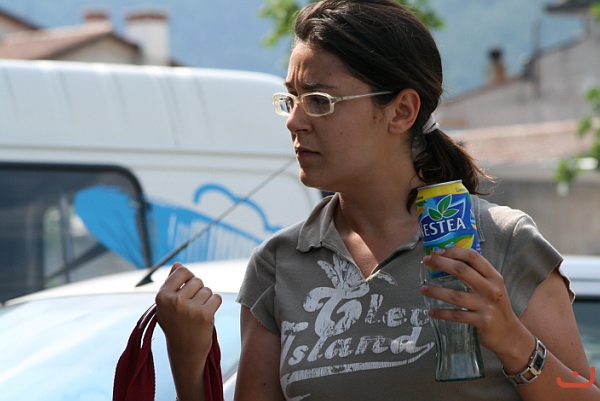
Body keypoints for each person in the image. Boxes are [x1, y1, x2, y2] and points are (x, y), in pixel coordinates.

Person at [156, 0, 599, 400]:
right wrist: (189, 362)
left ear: (402, 111)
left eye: (319, 100)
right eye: (291, 99)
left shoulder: (502, 240)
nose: (294, 121)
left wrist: (514, 342)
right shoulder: (278, 264)